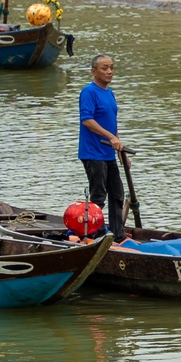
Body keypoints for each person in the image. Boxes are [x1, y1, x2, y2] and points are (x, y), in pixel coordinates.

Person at [78, 54, 130, 239]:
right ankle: (97, 234)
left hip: (108, 153)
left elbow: (112, 123)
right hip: (93, 153)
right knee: (98, 195)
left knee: (117, 193)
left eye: (112, 68)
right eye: (104, 68)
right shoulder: (89, 92)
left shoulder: (109, 93)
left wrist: (120, 149)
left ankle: (117, 234)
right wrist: (110, 137)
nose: (109, 72)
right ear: (94, 71)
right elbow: (87, 120)